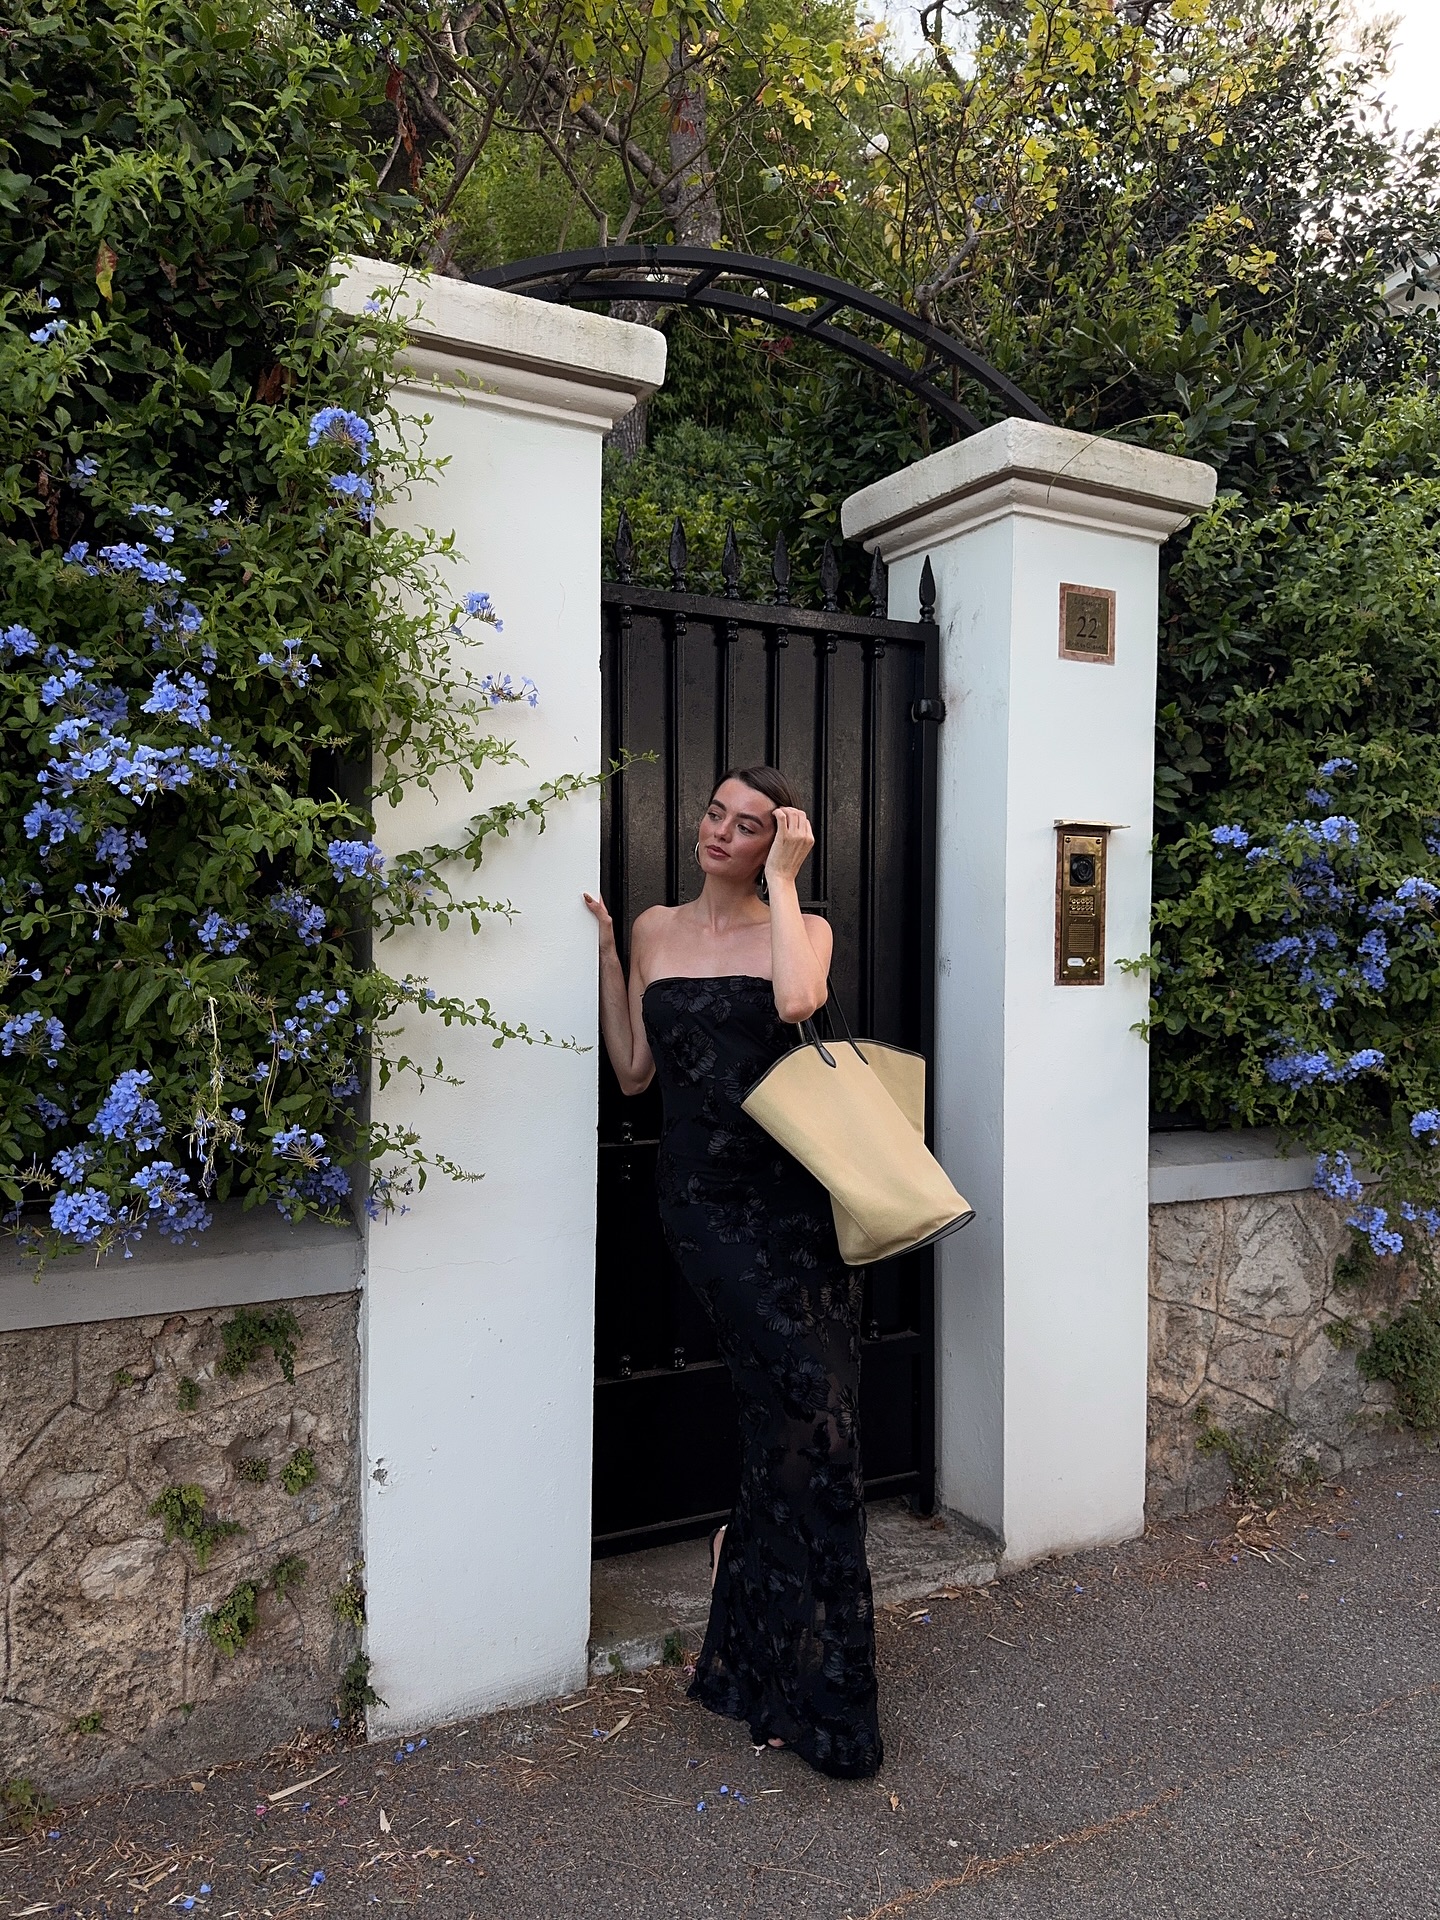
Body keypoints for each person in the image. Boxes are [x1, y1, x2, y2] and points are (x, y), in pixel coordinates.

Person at [583, 765, 883, 1780]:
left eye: (748, 825)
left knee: (814, 1420)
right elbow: (632, 1072)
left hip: (796, 1203)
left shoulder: (806, 928)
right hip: (702, 1206)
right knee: (801, 1405)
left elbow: (800, 999)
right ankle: (799, 1678)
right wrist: (602, 954)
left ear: (776, 842)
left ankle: (768, 1647)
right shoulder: (654, 930)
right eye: (716, 813)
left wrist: (790, 884)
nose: (720, 831)